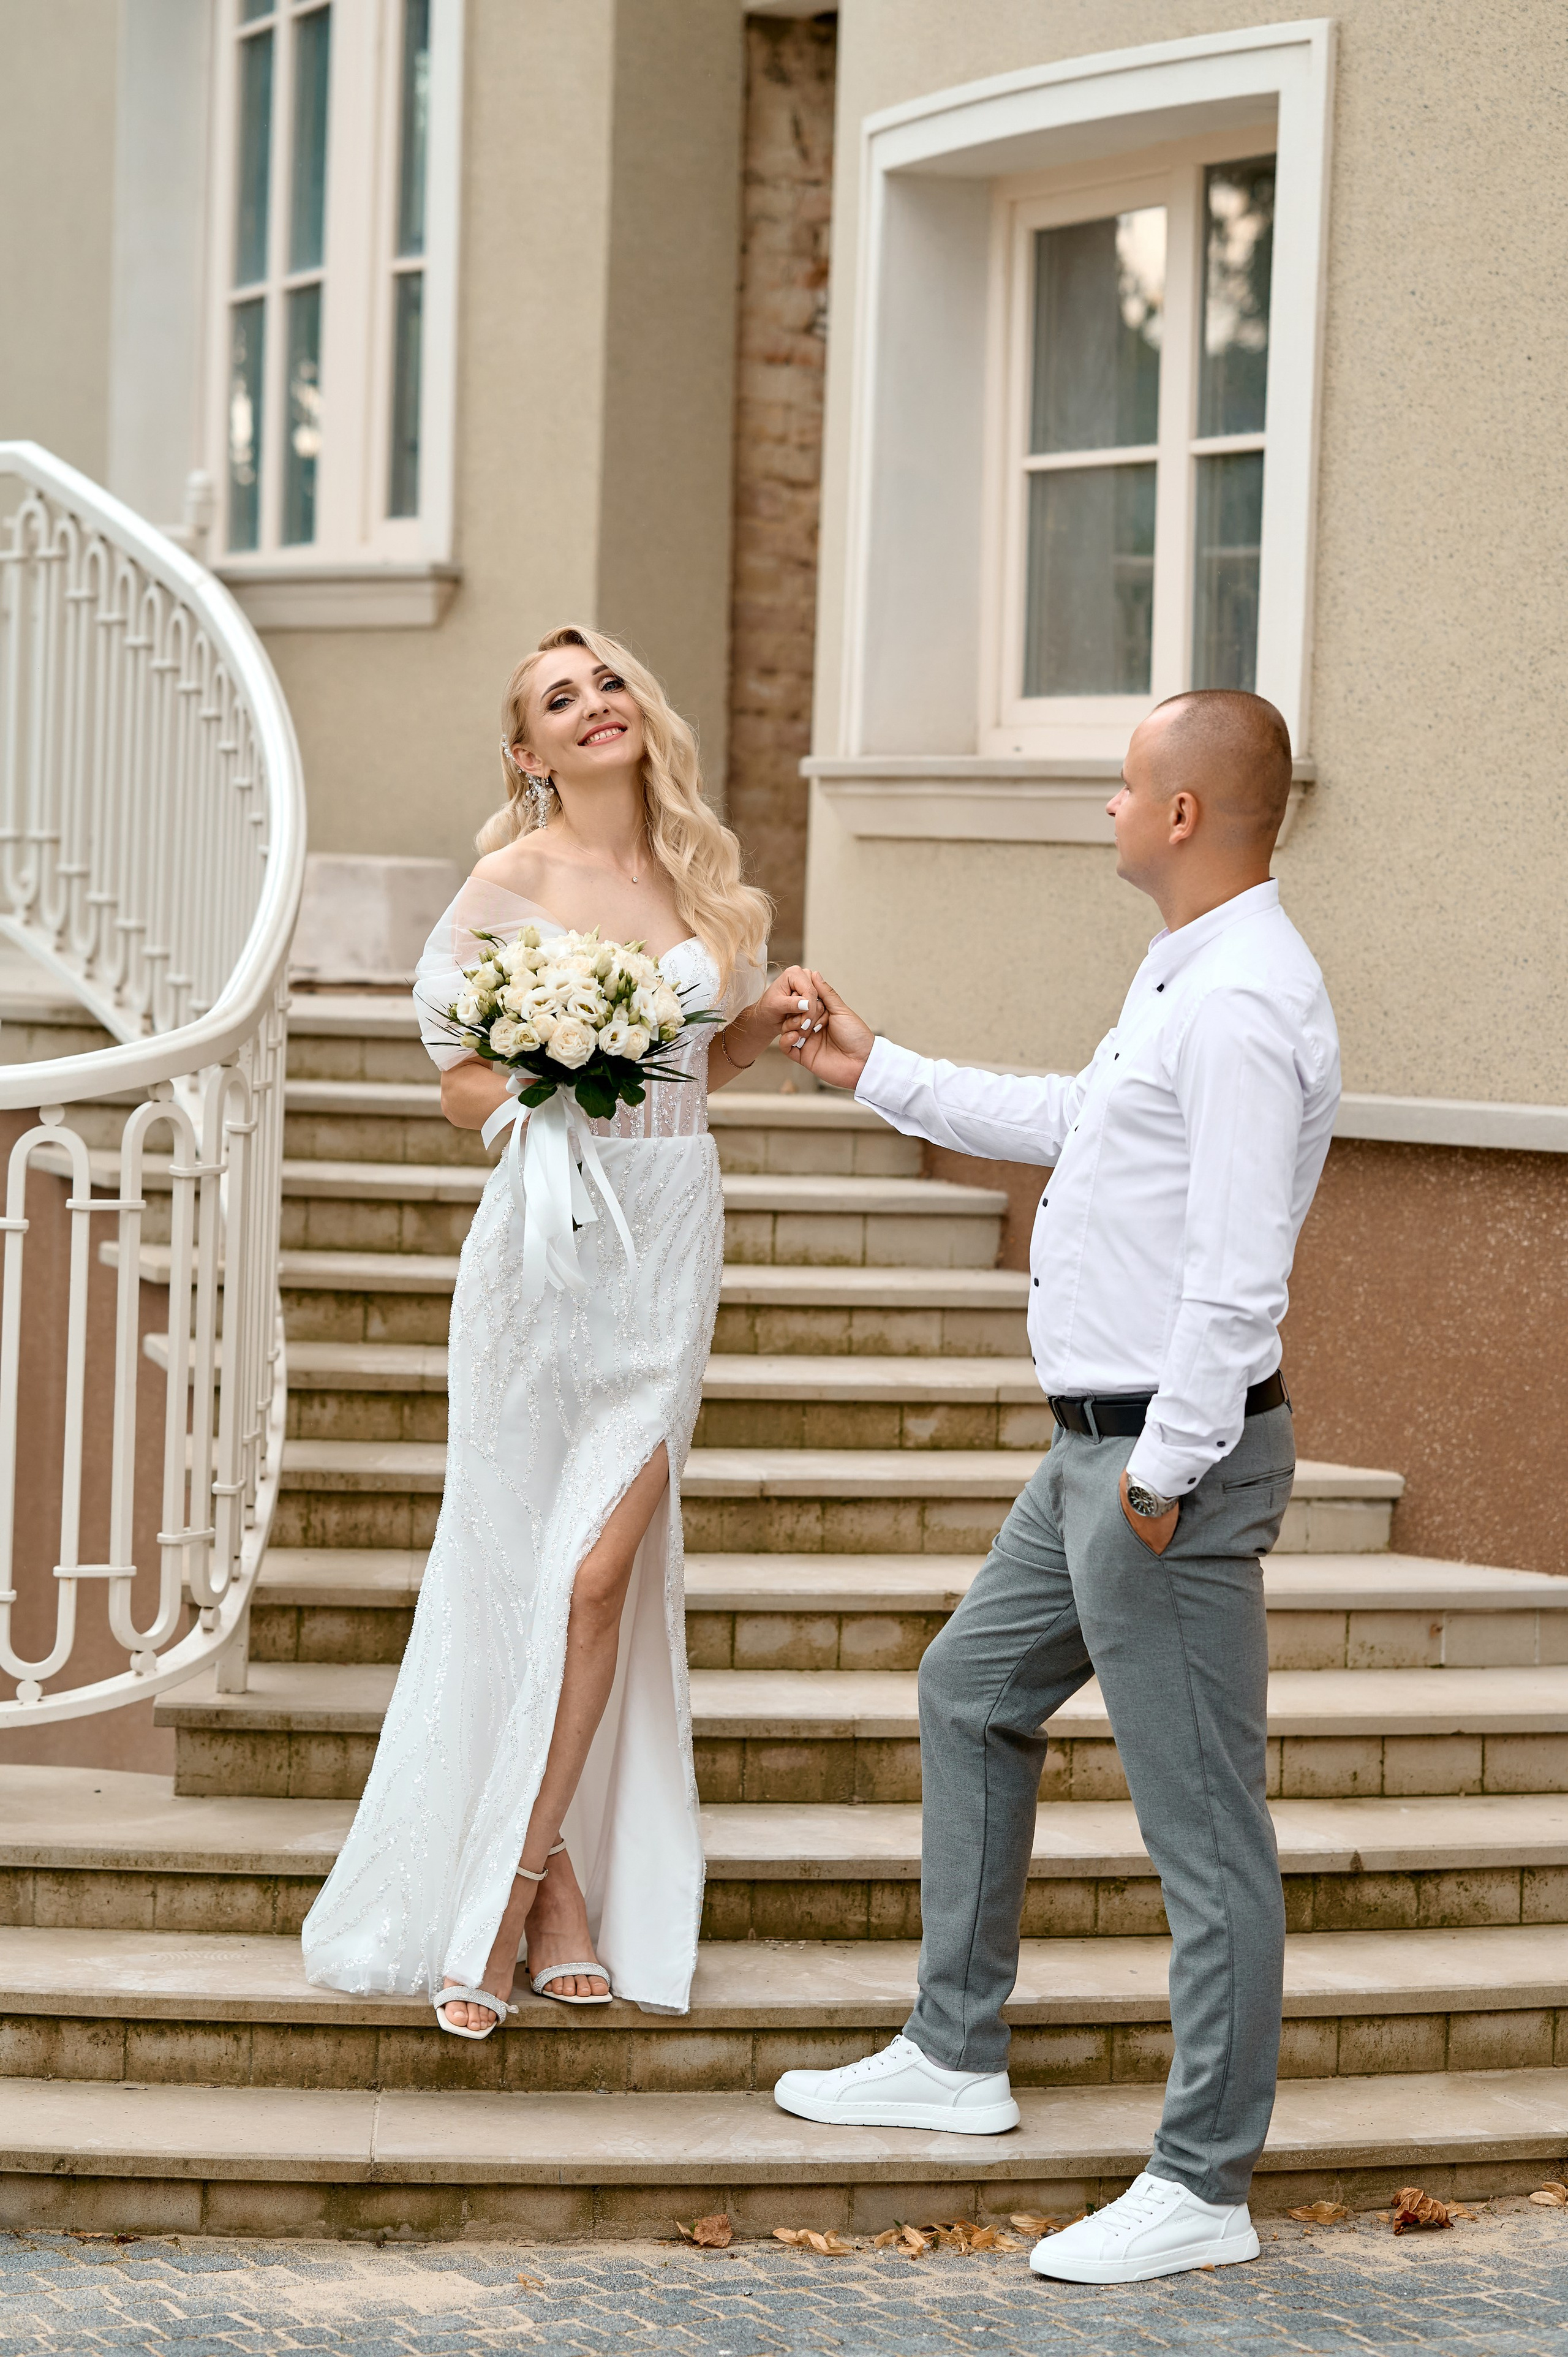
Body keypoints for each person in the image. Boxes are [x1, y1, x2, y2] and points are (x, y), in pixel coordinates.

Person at [771, 690, 1340, 2285]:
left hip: (1163, 1460)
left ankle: (1202, 2181)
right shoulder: (1185, 976)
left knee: (1204, 1832)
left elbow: (1237, 1273)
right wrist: (873, 1068)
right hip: (1093, 1451)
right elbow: (1078, 1124)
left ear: (1183, 815)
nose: (1107, 805)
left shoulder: (1242, 1002)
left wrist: (1159, 1480)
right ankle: (954, 2053)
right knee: (969, 1690)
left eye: (1124, 784)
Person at [301, 625, 821, 2035]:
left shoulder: (701, 882)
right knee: (514, 1571)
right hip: (542, 1255)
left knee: (596, 1577)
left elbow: (695, 1069)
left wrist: (761, 1018)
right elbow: (457, 1086)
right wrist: (546, 1069)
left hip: (669, 1242)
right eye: (557, 697)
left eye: (605, 682)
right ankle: (544, 1896)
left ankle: (514, 1883)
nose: (593, 704)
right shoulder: (508, 883)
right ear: (526, 751)